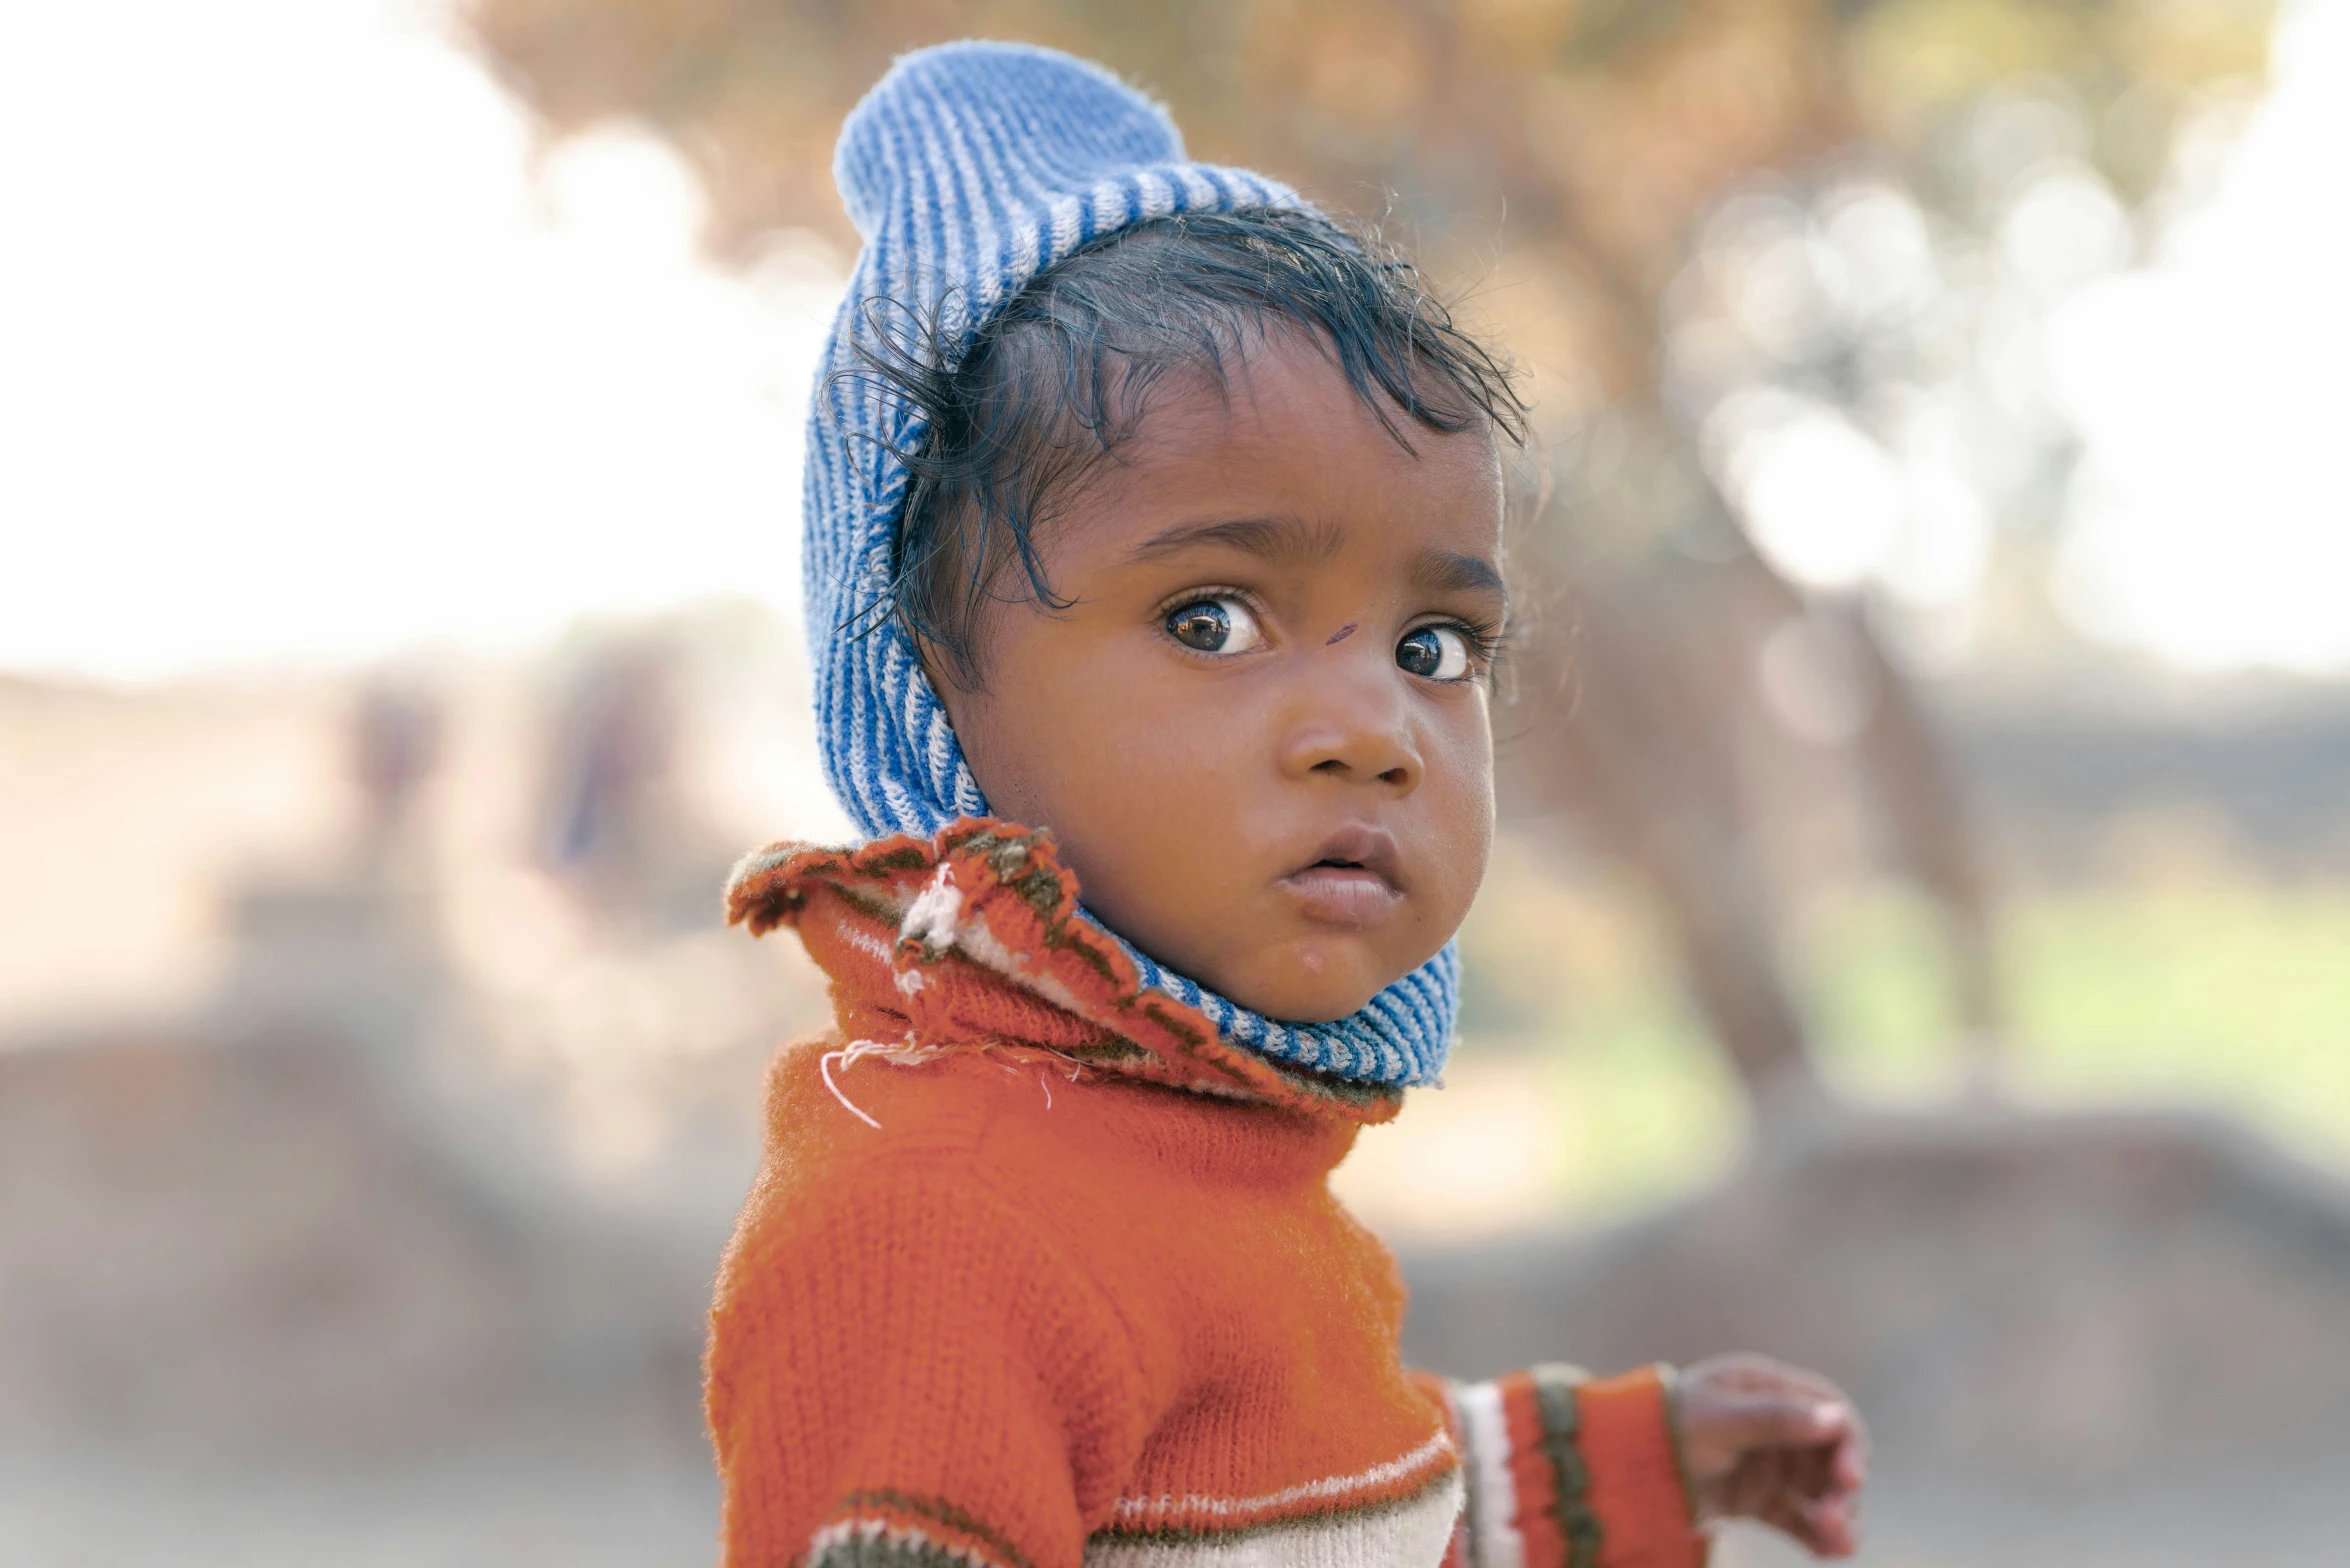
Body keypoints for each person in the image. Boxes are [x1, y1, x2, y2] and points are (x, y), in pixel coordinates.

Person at [708, 39, 1866, 1568]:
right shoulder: (933, 1227)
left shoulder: (1191, 1154)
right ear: (928, 680)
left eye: (1432, 646)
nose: (1372, 730)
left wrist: (1609, 1464)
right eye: (1211, 619)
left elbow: (1288, 1492)